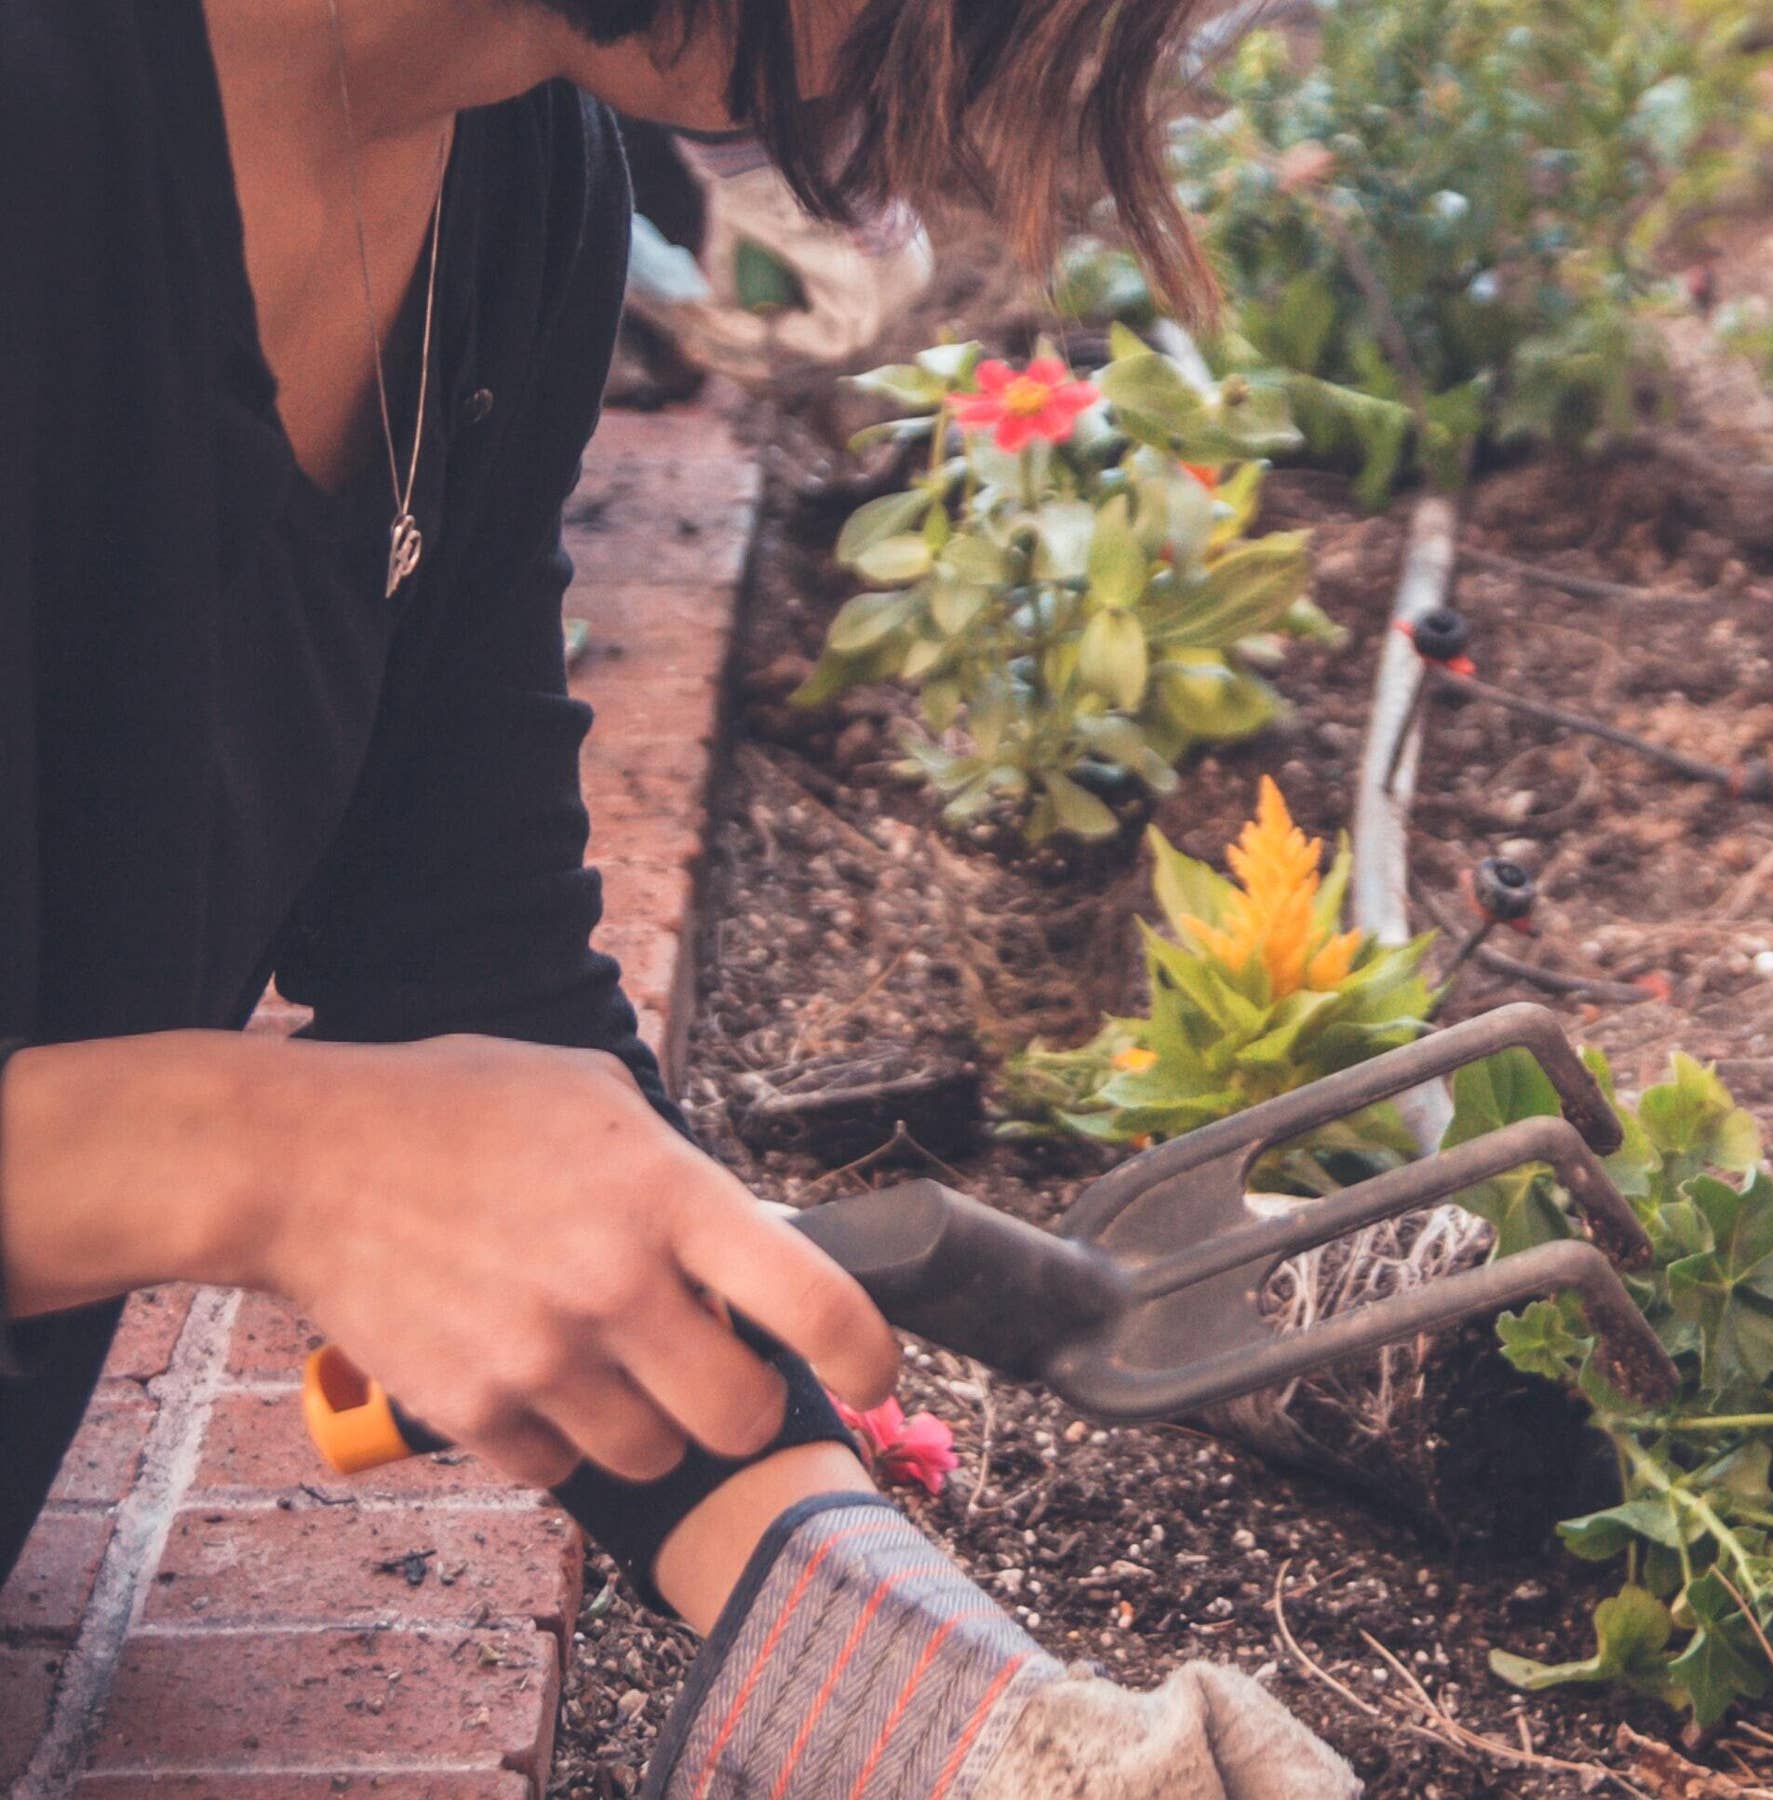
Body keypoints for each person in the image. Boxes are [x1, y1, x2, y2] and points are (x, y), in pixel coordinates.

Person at [0, 2, 1355, 1791]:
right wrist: (264, 1151)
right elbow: (341, 1124)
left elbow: (469, 972)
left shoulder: (511, 181)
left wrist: (963, 1713)